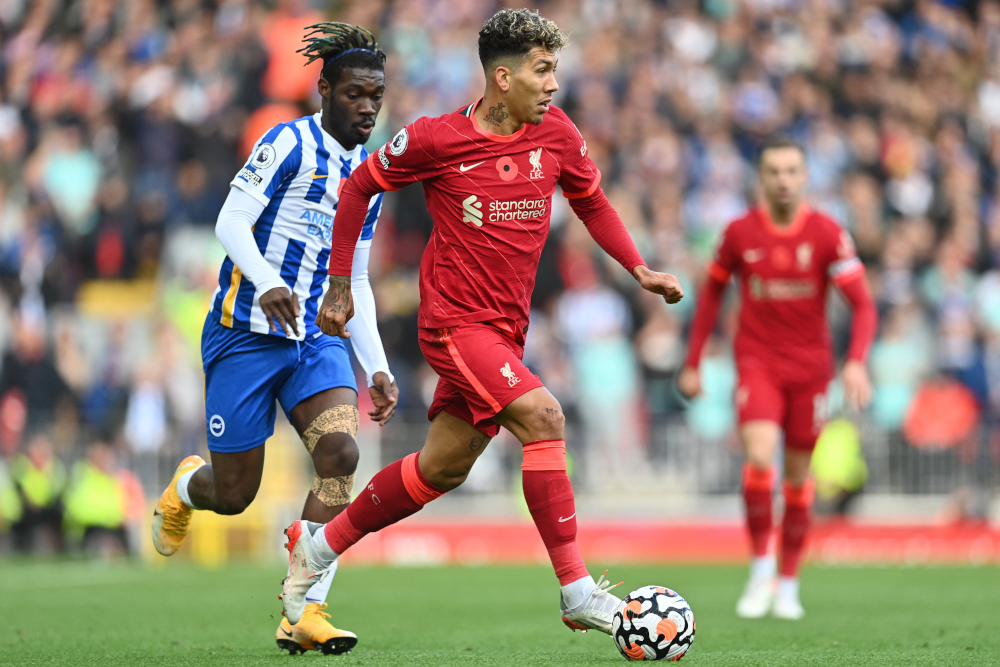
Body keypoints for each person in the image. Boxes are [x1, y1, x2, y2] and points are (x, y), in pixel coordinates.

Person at [278, 8, 684, 636]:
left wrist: (640, 269)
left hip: (504, 332)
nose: (553, 85)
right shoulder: (437, 139)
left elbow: (593, 203)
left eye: (555, 71)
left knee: (442, 468)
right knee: (545, 416)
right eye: (542, 70)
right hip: (453, 325)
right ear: (502, 77)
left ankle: (320, 548)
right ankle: (576, 590)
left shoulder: (557, 135)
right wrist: (338, 285)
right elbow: (359, 186)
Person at [150, 23, 398, 655]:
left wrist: (377, 366)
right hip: (245, 335)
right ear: (325, 91)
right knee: (234, 496)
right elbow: (230, 221)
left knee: (341, 455)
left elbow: (358, 279)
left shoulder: (368, 179)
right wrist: (264, 281)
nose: (367, 106)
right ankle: (186, 487)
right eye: (355, 94)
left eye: (377, 94)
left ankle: (305, 609)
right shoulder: (287, 142)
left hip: (314, 337)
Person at [677, 135, 878, 620]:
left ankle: (788, 582)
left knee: (796, 479)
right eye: (774, 172)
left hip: (811, 370)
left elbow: (864, 305)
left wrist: (855, 360)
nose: (783, 180)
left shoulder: (828, 233)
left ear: (805, 176)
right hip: (758, 362)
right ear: (761, 178)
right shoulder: (740, 234)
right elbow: (710, 298)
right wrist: (694, 361)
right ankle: (761, 567)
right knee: (760, 457)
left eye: (792, 171)